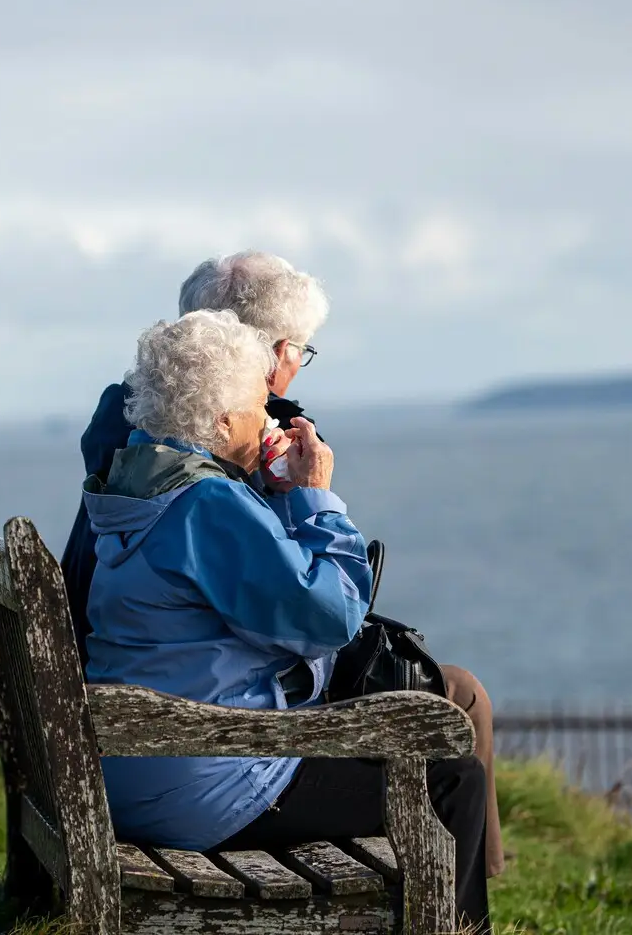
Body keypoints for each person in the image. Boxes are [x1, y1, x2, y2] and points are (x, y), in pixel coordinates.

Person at [61, 249, 505, 879]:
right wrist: (314, 496)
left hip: (135, 754)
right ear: (220, 417)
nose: (267, 413)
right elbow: (328, 622)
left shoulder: (133, 476)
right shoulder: (206, 502)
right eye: (253, 403)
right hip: (205, 778)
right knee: (449, 779)